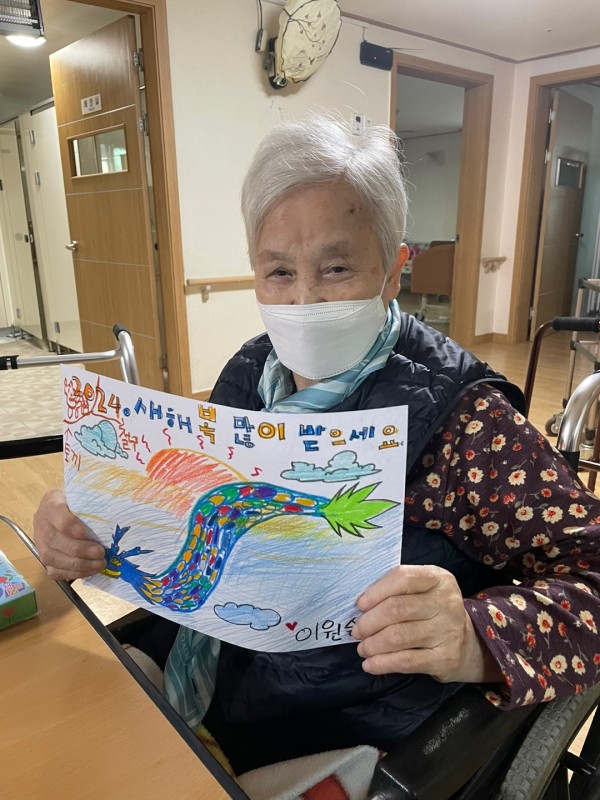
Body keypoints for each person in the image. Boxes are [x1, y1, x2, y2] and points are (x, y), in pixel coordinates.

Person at [34, 117, 600, 776]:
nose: (303, 301)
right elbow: (191, 514)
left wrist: (474, 634)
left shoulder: (468, 422)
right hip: (208, 677)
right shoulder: (249, 373)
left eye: (336, 268)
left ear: (393, 271)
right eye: (279, 272)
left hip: (341, 733)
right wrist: (87, 523)